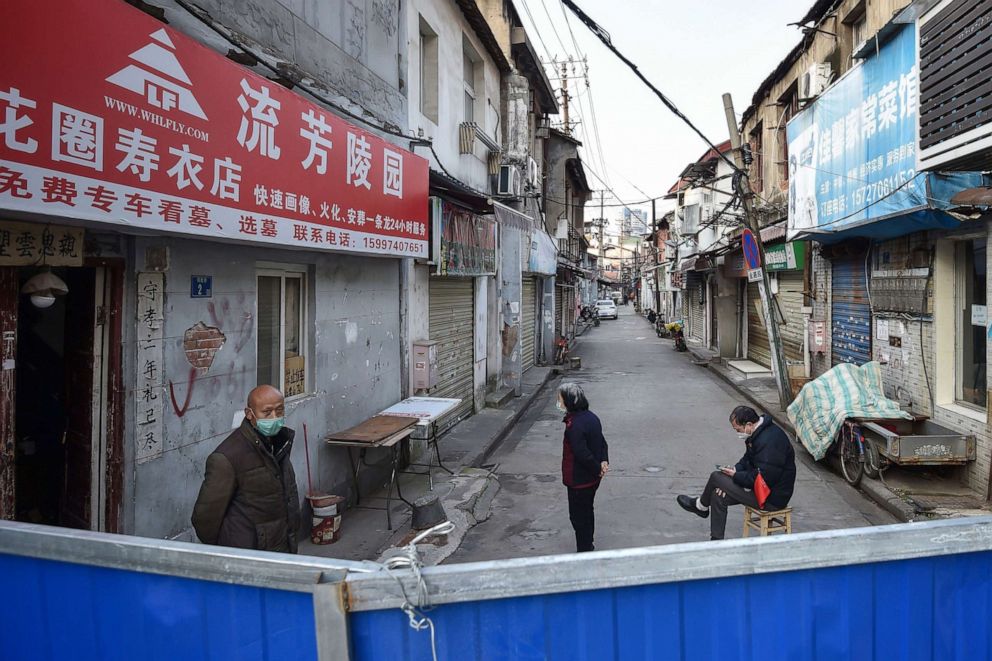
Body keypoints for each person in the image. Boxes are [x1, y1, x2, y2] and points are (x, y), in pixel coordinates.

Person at [192, 385, 301, 552]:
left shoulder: (279, 443)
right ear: (250, 414)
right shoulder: (227, 457)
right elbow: (205, 519)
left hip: (281, 545)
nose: (275, 417)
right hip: (248, 552)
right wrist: (231, 547)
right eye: (267, 412)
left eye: (279, 410)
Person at [676, 405, 796, 540]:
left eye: (738, 429)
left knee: (716, 477)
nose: (737, 433)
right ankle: (716, 541)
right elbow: (747, 459)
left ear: (749, 424)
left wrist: (734, 477)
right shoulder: (757, 433)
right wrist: (735, 470)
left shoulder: (770, 441)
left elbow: (763, 479)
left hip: (771, 497)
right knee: (717, 495)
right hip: (759, 488)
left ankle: (701, 506)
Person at [558, 383, 610, 552]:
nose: (558, 403)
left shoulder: (575, 426)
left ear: (569, 401)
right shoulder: (592, 417)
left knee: (578, 517)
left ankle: (585, 550)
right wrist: (603, 462)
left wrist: (597, 468)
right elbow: (602, 442)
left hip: (579, 480)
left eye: (560, 399)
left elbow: (582, 454)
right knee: (587, 511)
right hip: (593, 479)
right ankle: (589, 543)